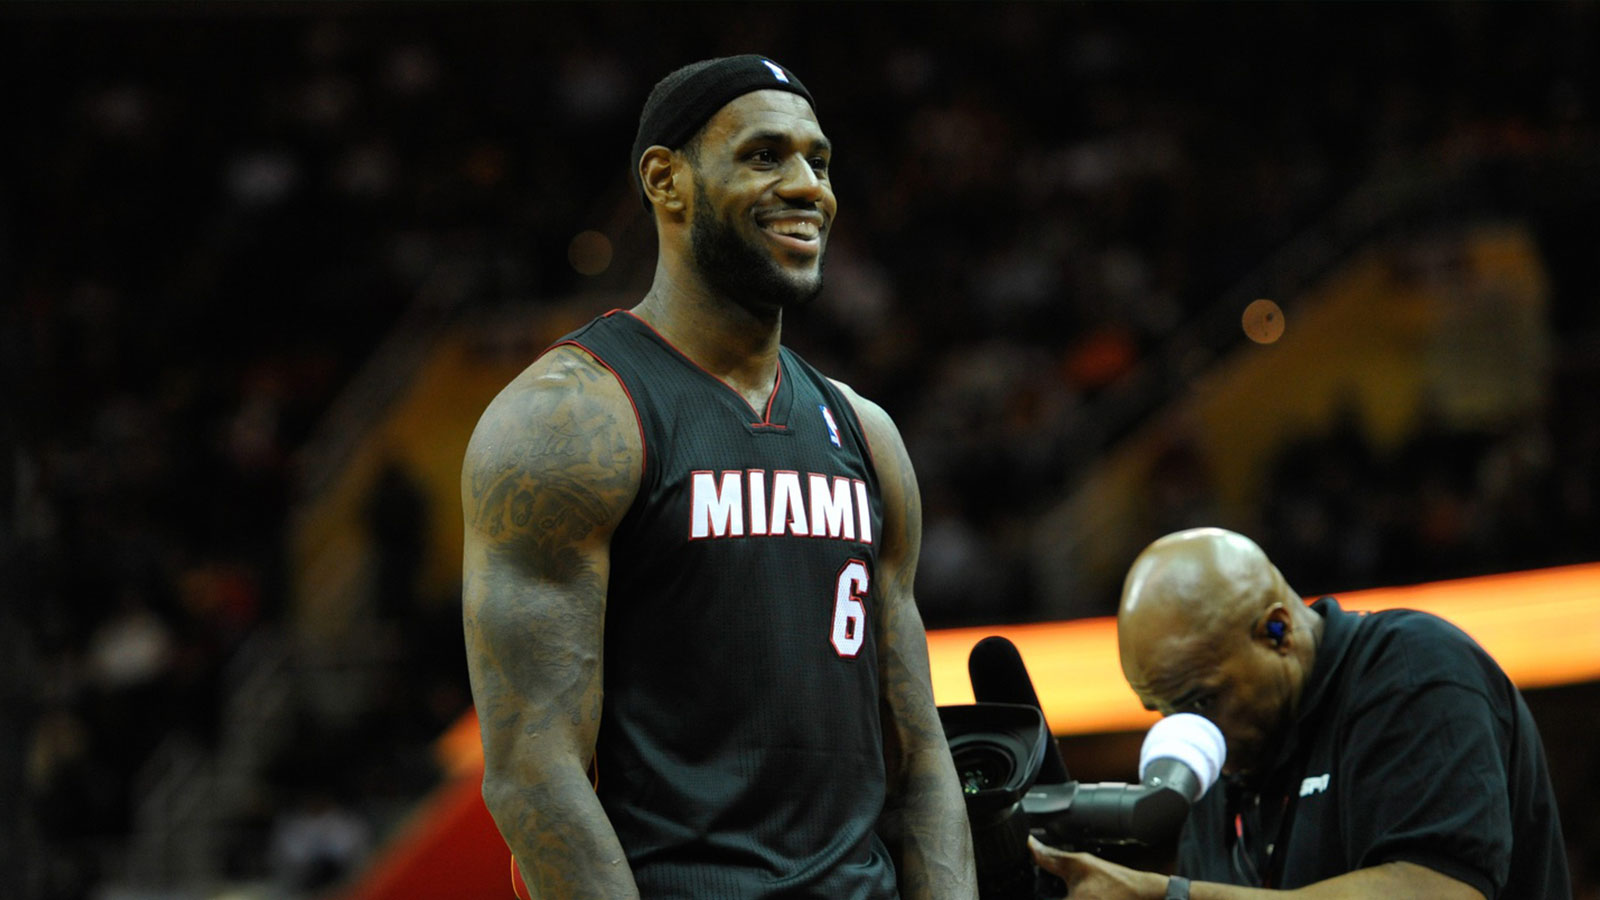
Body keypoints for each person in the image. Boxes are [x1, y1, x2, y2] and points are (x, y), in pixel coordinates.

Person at [460, 55, 978, 899]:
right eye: (765, 156)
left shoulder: (867, 434)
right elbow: (533, 776)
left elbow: (920, 759)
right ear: (666, 180)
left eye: (819, 161)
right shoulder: (567, 421)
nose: (808, 187)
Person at [1030, 527, 1569, 899]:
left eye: (1200, 701)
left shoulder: (1412, 668)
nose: (1186, 731)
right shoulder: (1215, 764)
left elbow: (1435, 892)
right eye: (1162, 710)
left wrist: (1167, 896)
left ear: (1278, 631)